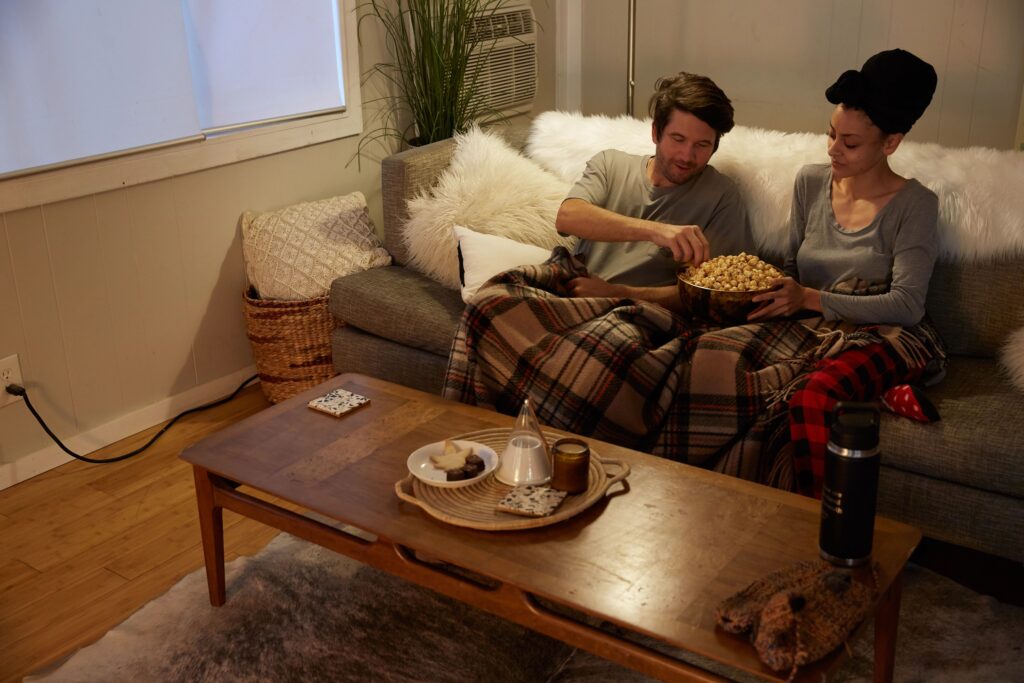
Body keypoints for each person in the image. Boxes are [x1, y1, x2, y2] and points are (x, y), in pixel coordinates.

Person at [747, 48, 946, 497]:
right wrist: (771, 291)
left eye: (851, 143)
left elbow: (908, 304)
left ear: (890, 143)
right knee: (719, 361)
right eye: (831, 134)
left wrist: (809, 298)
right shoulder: (811, 181)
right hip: (820, 327)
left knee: (811, 399)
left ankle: (824, 535)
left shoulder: (916, 205)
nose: (833, 149)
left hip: (888, 332)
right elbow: (795, 268)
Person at [554, 72, 754, 312]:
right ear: (655, 133)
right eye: (678, 139)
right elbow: (567, 217)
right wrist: (656, 231)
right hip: (571, 292)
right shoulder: (611, 164)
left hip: (639, 313)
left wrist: (617, 294)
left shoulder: (721, 195)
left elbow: (718, 293)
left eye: (702, 145)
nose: (686, 156)